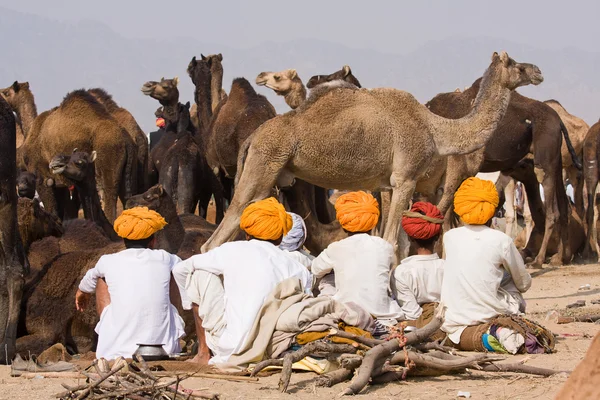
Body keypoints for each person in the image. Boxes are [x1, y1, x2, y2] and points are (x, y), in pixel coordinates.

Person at [172, 197, 313, 365]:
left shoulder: (231, 250)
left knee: (199, 273)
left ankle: (203, 352)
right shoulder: (297, 266)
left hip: (230, 348)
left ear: (246, 234)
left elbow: (180, 269)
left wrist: (188, 305)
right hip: (272, 348)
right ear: (280, 238)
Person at [75, 207, 187, 360]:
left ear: (124, 240)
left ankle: (112, 338)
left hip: (116, 351)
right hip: (164, 349)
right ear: (153, 241)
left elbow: (89, 278)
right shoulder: (165, 258)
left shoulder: (108, 260)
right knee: (174, 273)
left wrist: (82, 292)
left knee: (101, 278)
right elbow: (184, 269)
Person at [441, 177, 532, 347]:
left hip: (452, 317)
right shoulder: (502, 240)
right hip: (488, 314)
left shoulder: (449, 237)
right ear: (492, 210)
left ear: (461, 208)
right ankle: (499, 330)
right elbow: (524, 284)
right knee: (512, 281)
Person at [311, 191, 403, 325]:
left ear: (343, 224)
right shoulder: (384, 246)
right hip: (384, 315)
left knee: (327, 278)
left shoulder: (335, 248)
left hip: (347, 314)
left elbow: (315, 269)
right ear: (373, 222)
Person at [392, 201, 445, 320]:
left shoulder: (401, 273)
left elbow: (413, 314)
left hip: (417, 328)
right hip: (446, 323)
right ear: (438, 235)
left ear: (410, 237)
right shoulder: (449, 268)